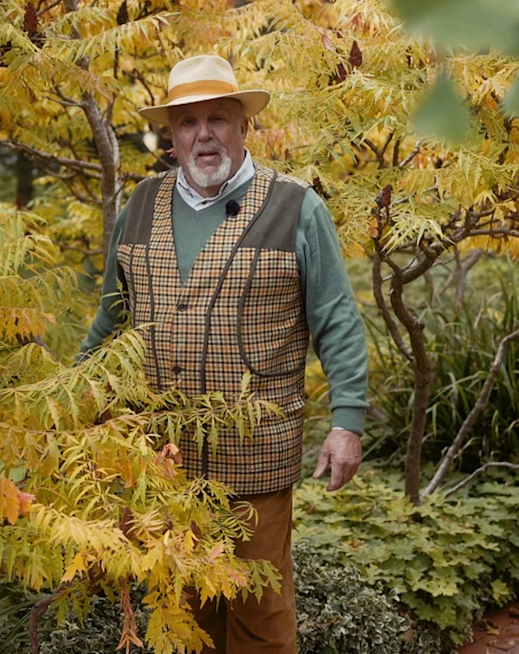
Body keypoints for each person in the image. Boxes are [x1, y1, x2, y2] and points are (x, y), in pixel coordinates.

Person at [79, 54, 368, 654]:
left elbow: (336, 319)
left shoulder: (296, 207)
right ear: (172, 136)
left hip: (255, 459)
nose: (203, 134)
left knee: (261, 621)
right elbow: (111, 319)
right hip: (162, 464)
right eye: (188, 122)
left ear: (243, 126)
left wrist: (347, 422)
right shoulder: (141, 205)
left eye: (217, 119)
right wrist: (71, 402)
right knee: (183, 622)